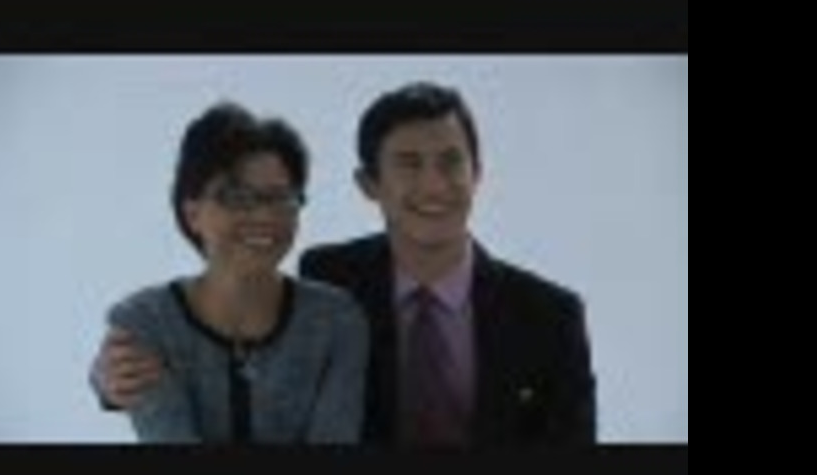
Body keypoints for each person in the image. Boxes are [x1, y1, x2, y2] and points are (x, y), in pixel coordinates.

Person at [92, 82, 596, 446]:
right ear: (368, 184)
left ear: (478, 173)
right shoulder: (334, 277)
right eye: (408, 164)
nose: (434, 185)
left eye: (451, 162)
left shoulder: (549, 316)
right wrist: (110, 380)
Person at [96, 102, 369, 444]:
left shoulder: (337, 320)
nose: (263, 216)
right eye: (236, 197)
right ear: (192, 214)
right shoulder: (146, 321)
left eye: (279, 197)